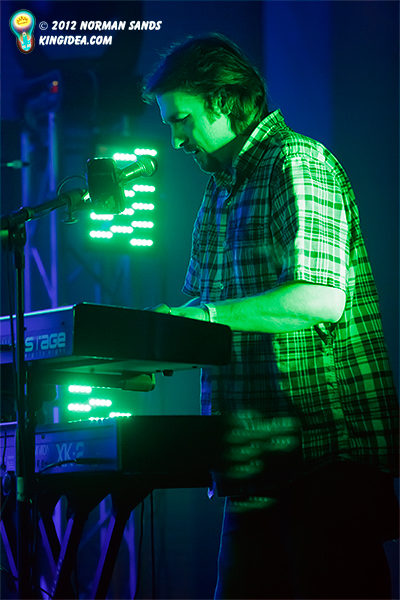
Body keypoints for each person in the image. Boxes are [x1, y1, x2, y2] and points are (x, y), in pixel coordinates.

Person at [142, 33, 399, 599]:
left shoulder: (296, 162)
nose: (175, 138)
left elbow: (319, 299)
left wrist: (203, 315)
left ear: (223, 101)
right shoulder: (218, 192)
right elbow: (199, 316)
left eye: (182, 119)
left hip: (321, 459)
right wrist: (136, 345)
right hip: (251, 460)